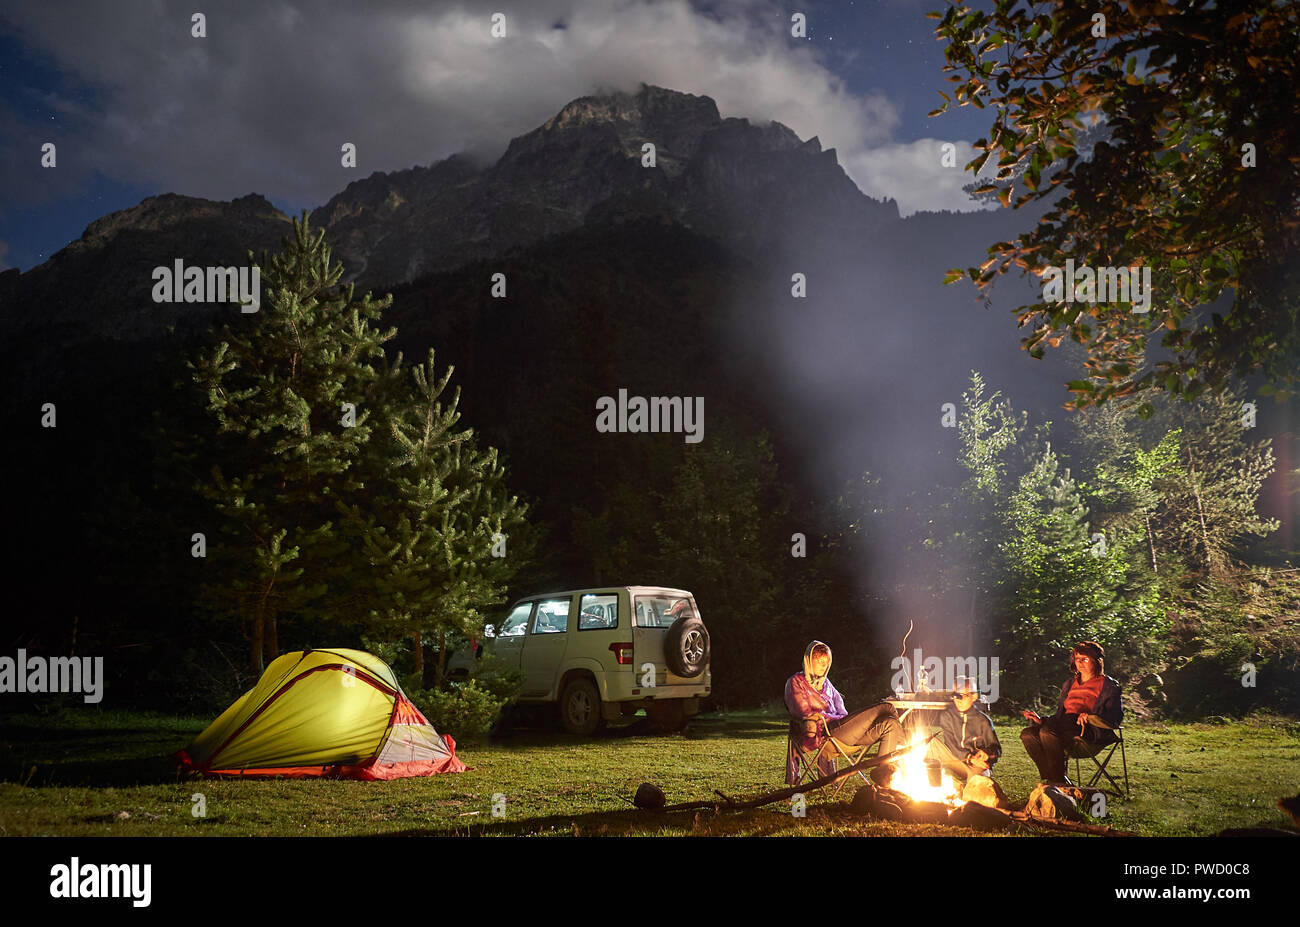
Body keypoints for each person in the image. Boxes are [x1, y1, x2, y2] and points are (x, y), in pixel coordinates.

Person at [784, 640, 903, 785]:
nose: (824, 665)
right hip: (827, 734)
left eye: (826, 661)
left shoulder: (826, 684)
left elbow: (842, 711)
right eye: (819, 660)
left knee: (890, 723)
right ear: (808, 660)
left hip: (843, 730)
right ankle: (906, 756)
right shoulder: (795, 682)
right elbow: (802, 711)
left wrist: (829, 716)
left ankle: (884, 775)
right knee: (887, 707)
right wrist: (826, 718)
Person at [1019, 640, 1123, 785]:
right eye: (1077, 659)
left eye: (1085, 659)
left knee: (1047, 732)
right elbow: (1060, 716)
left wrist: (1091, 717)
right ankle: (1054, 779)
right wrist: (1041, 721)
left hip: (1087, 729)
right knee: (1028, 734)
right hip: (1064, 724)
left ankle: (1058, 782)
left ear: (1097, 661)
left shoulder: (1109, 685)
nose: (1080, 663)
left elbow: (1115, 717)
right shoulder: (1069, 684)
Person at [923, 676, 1001, 785]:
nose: (958, 701)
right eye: (955, 696)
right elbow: (951, 746)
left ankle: (970, 793)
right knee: (929, 742)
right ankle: (928, 786)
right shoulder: (947, 716)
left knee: (975, 781)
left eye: (962, 696)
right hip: (956, 760)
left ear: (973, 696)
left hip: (976, 765)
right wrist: (969, 758)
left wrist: (987, 753)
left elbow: (996, 749)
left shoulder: (982, 721)